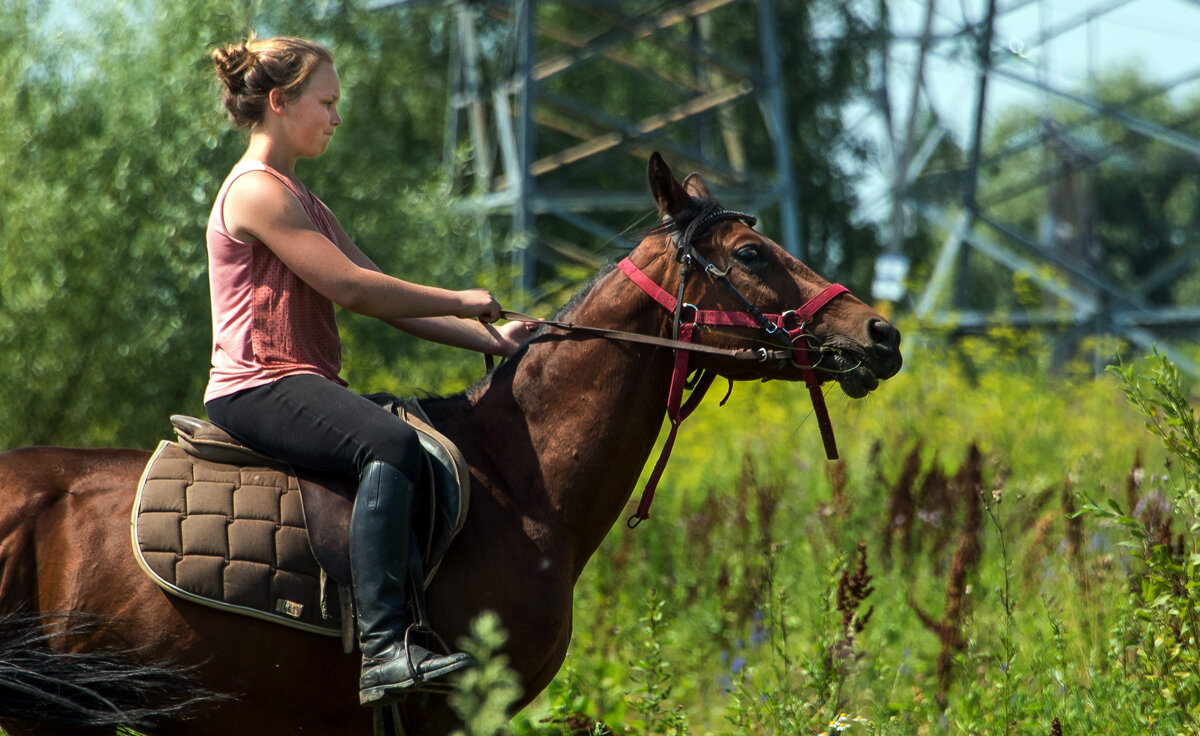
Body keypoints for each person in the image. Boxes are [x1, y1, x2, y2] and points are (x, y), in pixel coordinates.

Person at [203, 35, 529, 708]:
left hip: (299, 383)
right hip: (258, 386)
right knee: (391, 442)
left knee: (408, 435)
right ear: (279, 101)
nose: (336, 118)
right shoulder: (257, 193)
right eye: (326, 102)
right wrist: (462, 298)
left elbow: (378, 290)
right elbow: (353, 290)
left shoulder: (300, 198)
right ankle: (385, 649)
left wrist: (490, 339)